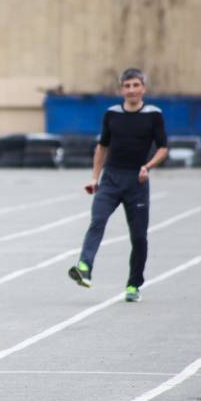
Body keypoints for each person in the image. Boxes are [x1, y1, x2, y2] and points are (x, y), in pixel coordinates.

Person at [68, 68, 168, 302]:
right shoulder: (112, 114)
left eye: (135, 85)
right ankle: (84, 267)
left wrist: (148, 166)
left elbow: (163, 148)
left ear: (143, 87)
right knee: (98, 221)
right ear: (121, 89)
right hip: (111, 179)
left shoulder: (154, 115)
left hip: (137, 181)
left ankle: (134, 285)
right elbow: (102, 147)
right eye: (127, 86)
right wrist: (95, 177)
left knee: (138, 237)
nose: (131, 90)